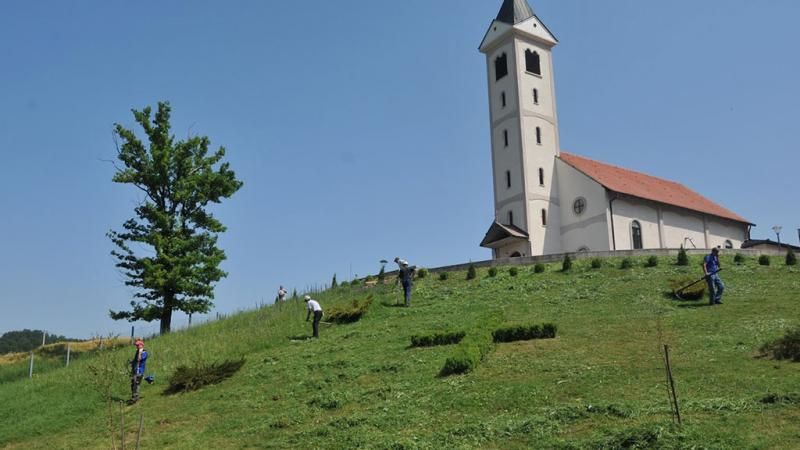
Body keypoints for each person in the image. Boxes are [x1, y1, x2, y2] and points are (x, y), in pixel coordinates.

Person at [129, 339, 149, 404]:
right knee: (133, 383)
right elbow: (135, 360)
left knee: (136, 383)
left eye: (138, 345)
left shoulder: (144, 353)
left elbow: (139, 359)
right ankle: (134, 396)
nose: (136, 346)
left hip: (139, 371)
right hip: (135, 370)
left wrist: (140, 352)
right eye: (136, 345)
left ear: (141, 345)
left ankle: (135, 397)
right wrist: (131, 362)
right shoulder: (137, 352)